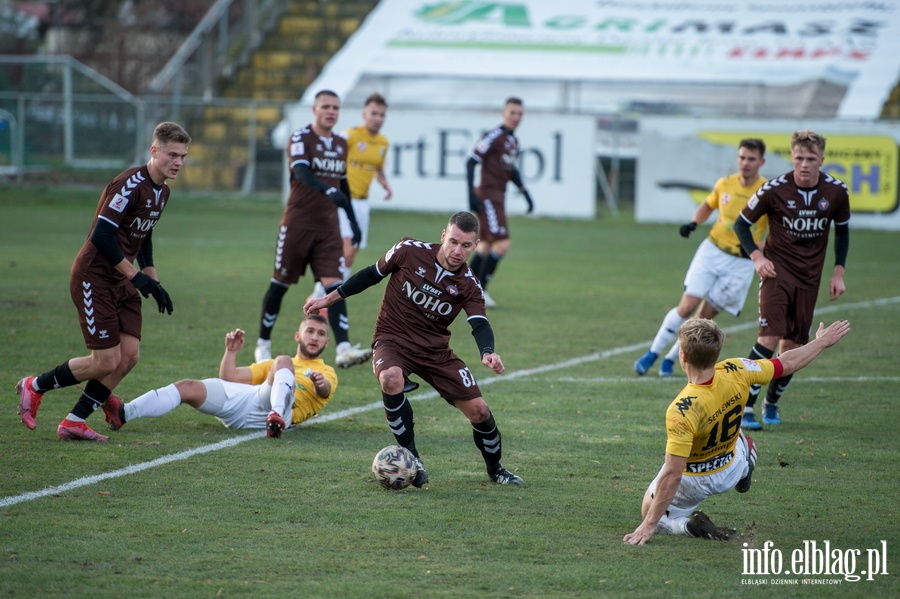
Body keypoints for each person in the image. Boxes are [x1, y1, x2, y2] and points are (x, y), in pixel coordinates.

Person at [304, 211, 525, 487]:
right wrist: (331, 298)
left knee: (479, 410)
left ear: (476, 245)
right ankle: (414, 461)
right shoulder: (408, 251)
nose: (458, 251)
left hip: (435, 351)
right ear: (443, 236)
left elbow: (479, 323)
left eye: (466, 246)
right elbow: (372, 275)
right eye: (453, 242)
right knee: (390, 378)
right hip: (392, 339)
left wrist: (487, 351)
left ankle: (497, 470)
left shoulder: (470, 284)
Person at [16, 121, 191, 441]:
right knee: (105, 360)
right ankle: (34, 386)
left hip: (122, 280)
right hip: (94, 278)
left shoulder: (162, 191)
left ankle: (74, 421)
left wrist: (152, 275)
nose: (178, 162)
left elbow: (144, 231)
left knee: (129, 356)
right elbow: (102, 235)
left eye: (183, 156)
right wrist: (136, 276)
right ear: (154, 151)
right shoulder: (129, 184)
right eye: (172, 154)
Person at [623, 317, 851, 545]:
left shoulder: (681, 410)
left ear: (682, 356)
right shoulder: (738, 368)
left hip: (696, 480)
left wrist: (649, 523)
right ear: (716, 353)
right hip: (731, 465)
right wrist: (820, 342)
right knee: (734, 423)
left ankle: (687, 526)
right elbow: (786, 363)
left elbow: (674, 474)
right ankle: (745, 464)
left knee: (651, 509)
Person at [734, 130, 851, 430]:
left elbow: (843, 231)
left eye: (811, 158)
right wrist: (758, 258)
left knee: (793, 347)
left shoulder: (837, 192)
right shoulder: (774, 189)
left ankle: (771, 402)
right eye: (799, 157)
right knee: (768, 339)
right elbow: (741, 224)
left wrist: (838, 272)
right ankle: (746, 408)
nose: (804, 164)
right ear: (792, 157)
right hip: (776, 272)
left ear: (822, 160)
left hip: (809, 279)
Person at [254, 89, 371, 370]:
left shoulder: (341, 145)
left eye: (335, 108)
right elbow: (303, 173)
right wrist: (328, 190)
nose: (331, 112)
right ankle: (263, 344)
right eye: (326, 107)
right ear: (315, 110)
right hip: (298, 225)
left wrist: (353, 222)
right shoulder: (301, 138)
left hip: (328, 229)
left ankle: (343, 348)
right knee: (279, 284)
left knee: (335, 286)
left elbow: (343, 187)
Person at [634, 139, 768, 378]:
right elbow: (708, 205)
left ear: (761, 162)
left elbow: (778, 228)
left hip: (741, 263)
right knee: (686, 306)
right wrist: (694, 222)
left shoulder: (766, 192)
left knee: (703, 318)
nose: (745, 163)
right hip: (712, 251)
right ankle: (652, 353)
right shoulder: (725, 184)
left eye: (751, 159)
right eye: (742, 157)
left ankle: (670, 359)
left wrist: (762, 248)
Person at [103, 314, 337, 437]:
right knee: (187, 387)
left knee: (282, 360)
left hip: (284, 411)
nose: (314, 337)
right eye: (310, 331)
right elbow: (229, 377)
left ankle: (275, 417)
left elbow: (325, 390)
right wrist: (231, 352)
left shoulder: (327, 372)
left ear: (327, 341)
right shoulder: (276, 365)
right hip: (251, 400)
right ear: (298, 335)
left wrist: (319, 383)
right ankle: (124, 413)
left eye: (320, 334)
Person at [466, 97, 534, 308]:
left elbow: (511, 170)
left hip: (498, 198)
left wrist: (525, 193)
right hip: (488, 197)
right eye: (512, 112)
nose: (516, 117)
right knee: (502, 244)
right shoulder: (494, 136)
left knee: (485, 246)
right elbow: (471, 162)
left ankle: (465, 288)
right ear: (503, 113)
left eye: (520, 113)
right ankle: (480, 291)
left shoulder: (513, 141)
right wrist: (471, 194)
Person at [338, 92, 393, 280]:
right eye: (374, 113)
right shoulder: (350, 136)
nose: (378, 118)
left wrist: (385, 185)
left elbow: (377, 168)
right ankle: (324, 297)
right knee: (346, 251)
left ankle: (326, 295)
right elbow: (330, 152)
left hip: (362, 202)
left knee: (352, 253)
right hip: (344, 200)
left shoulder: (383, 143)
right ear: (364, 114)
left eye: (382, 115)